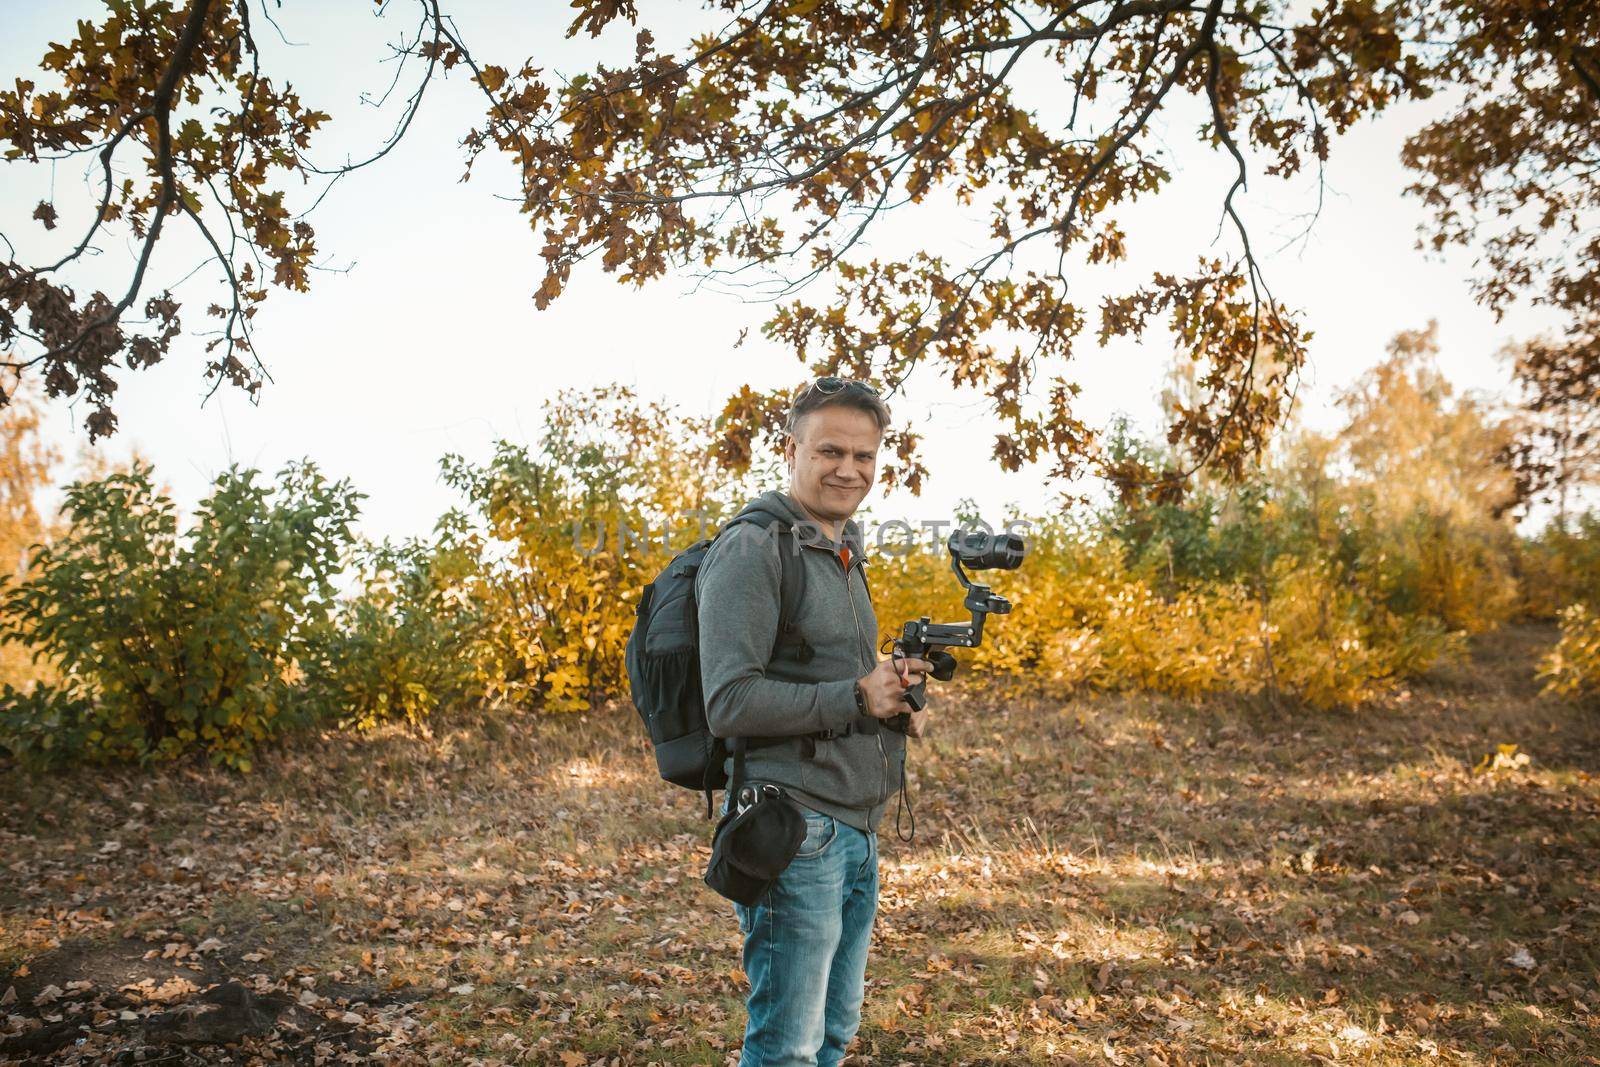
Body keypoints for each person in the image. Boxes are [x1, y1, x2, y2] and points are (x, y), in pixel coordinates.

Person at [696, 376, 934, 1067]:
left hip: (856, 826)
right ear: (790, 448)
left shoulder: (839, 547)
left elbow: (835, 679)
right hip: (794, 828)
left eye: (864, 456)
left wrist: (894, 704)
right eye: (831, 450)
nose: (849, 469)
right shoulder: (754, 548)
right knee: (789, 1048)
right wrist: (857, 697)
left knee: (833, 1032)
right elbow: (729, 702)